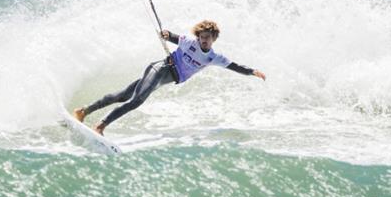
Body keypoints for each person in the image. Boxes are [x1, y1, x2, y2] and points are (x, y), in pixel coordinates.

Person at [74, 20, 266, 135]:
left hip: (166, 78)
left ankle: (83, 111)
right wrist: (166, 34)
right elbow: (173, 37)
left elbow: (235, 66)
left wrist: (252, 72)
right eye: (202, 36)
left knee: (123, 95)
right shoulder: (190, 42)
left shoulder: (214, 58)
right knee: (136, 100)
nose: (203, 40)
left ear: (214, 38)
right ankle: (100, 126)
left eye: (208, 37)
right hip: (160, 69)